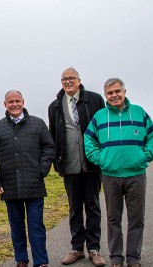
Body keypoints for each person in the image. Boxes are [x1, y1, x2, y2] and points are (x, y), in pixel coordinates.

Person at [84, 78, 153, 267]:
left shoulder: (139, 112)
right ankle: (116, 258)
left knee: (136, 218)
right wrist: (101, 159)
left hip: (136, 174)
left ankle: (134, 258)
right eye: (110, 93)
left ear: (124, 92)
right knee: (113, 218)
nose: (114, 95)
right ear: (106, 96)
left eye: (117, 91)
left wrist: (145, 156)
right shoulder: (100, 116)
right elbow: (89, 141)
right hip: (110, 176)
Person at [0, 90, 54, 267]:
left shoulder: (38, 124)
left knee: (36, 226)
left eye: (17, 101)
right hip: (10, 185)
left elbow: (49, 147)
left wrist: (42, 170)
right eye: (11, 102)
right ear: (5, 104)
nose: (14, 104)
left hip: (34, 184)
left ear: (23, 102)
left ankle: (40, 261)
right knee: (16, 227)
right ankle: (21, 259)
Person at [48, 67, 106, 266]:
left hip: (91, 165)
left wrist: (102, 156)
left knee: (93, 207)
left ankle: (94, 249)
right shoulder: (54, 106)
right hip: (69, 165)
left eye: (71, 78)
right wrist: (57, 163)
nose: (68, 81)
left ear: (79, 80)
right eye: (64, 79)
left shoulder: (95, 99)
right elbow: (53, 136)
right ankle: (76, 248)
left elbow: (103, 129)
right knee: (74, 209)